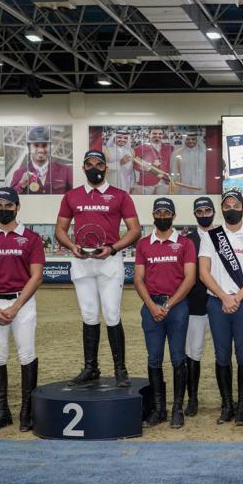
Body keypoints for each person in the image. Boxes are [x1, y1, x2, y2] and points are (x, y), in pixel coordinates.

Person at [55, 150, 142, 388]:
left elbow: (135, 230)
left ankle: (120, 369)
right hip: (82, 260)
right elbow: (60, 230)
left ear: (106, 168)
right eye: (89, 164)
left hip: (109, 261)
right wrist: (72, 246)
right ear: (83, 168)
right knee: (89, 315)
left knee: (112, 314)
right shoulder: (71, 196)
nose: (95, 168)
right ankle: (91, 368)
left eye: (99, 164)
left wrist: (113, 248)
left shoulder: (120, 196)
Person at [0, 187, 45, 433]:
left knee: (26, 355)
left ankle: (27, 411)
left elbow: (36, 277)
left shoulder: (31, 238)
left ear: (17, 206)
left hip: (22, 305)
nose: (3, 210)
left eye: (8, 205)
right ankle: (2, 412)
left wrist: (15, 306)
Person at [197, 190, 243, 425]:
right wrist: (223, 297)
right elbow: (203, 272)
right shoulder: (211, 236)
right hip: (217, 303)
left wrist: (236, 297)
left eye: (235, 205)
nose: (231, 209)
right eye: (226, 205)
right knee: (222, 355)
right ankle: (227, 405)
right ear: (222, 209)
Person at [134, 198, 197, 429]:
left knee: (178, 358)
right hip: (151, 307)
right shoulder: (143, 244)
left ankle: (177, 409)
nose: (162, 216)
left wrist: (169, 305)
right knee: (154, 358)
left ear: (173, 216)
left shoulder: (185, 243)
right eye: (158, 212)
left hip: (177, 306)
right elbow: (138, 278)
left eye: (166, 212)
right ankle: (159, 409)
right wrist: (151, 305)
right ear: (153, 215)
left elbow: (190, 278)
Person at [183, 196, 217, 417]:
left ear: (214, 212)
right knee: (193, 353)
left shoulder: (224, 237)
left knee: (223, 353)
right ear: (195, 214)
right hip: (194, 305)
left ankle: (227, 400)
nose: (204, 214)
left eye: (208, 210)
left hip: (220, 304)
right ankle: (192, 398)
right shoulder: (187, 241)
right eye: (200, 211)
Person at [8, 126, 73, 194]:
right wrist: (21, 185)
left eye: (44, 145)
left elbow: (74, 195)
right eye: (36, 145)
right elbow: (10, 199)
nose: (41, 150)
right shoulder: (19, 174)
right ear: (29, 147)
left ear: (50, 147)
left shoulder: (66, 171)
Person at [133, 127, 173, 194]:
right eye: (154, 133)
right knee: (146, 202)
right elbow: (135, 164)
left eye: (160, 134)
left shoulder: (170, 148)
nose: (157, 135)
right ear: (149, 135)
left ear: (163, 135)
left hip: (164, 180)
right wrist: (141, 168)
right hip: (147, 181)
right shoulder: (139, 148)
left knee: (162, 202)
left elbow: (172, 163)